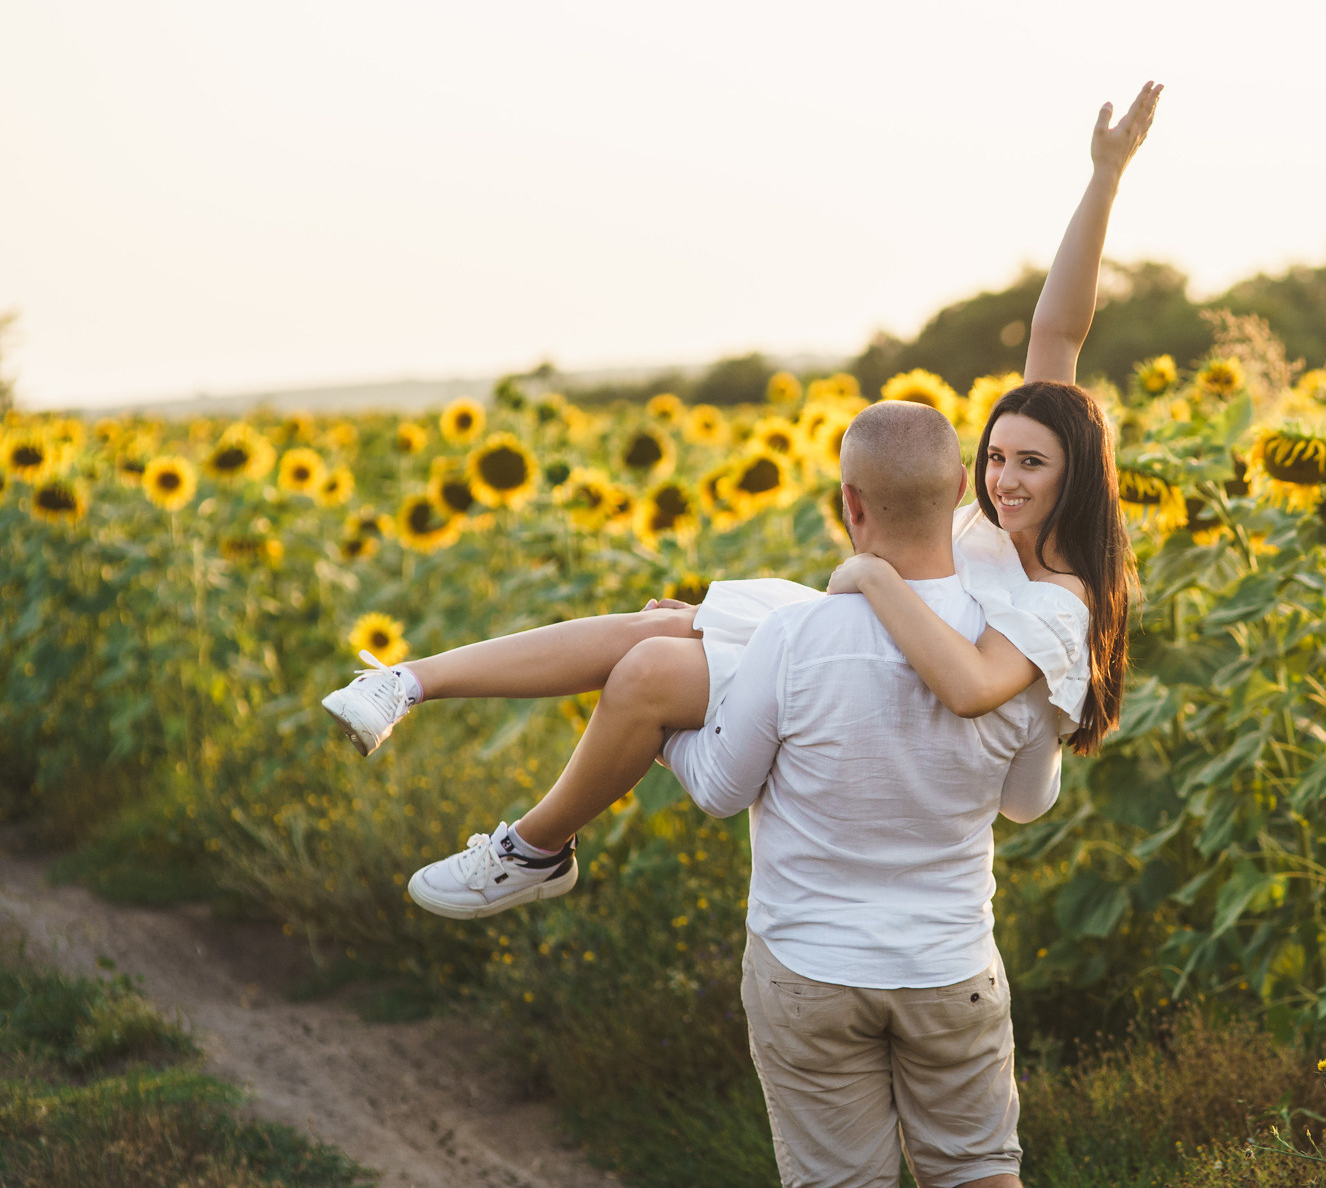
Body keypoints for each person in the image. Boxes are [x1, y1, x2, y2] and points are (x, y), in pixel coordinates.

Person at [319, 81, 1160, 918]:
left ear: (1077, 472)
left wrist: (870, 576)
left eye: (1030, 464)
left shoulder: (1060, 595)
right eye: (996, 457)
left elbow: (972, 686)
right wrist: (1105, 176)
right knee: (650, 632)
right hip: (877, 642)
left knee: (655, 671)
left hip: (958, 712)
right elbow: (1056, 331)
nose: (1003, 479)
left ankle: (533, 849)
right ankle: (410, 684)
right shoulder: (1006, 515)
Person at [668, 397, 1104, 1188]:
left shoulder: (795, 633)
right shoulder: (1015, 636)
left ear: (851, 503)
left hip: (811, 964)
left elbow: (721, 789)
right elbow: (1026, 804)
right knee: (979, 1170)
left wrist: (668, 734)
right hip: (949, 965)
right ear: (963, 488)